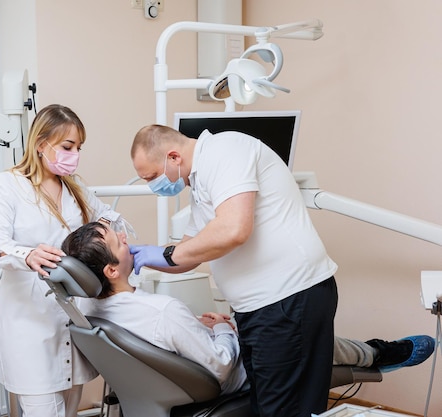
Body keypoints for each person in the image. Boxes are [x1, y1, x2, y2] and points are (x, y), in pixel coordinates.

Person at [61, 221, 435, 396]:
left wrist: (200, 328)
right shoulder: (162, 311)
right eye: (118, 239)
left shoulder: (89, 309)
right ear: (111, 270)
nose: (127, 237)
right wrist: (223, 328)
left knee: (295, 336)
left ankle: (373, 351)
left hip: (176, 379)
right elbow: (222, 367)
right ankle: (381, 353)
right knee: (305, 339)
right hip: (235, 374)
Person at [126, 125, 347, 416]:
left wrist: (165, 254)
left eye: (152, 176)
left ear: (174, 157)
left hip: (289, 298)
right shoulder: (200, 181)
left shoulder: (225, 151)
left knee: (283, 410)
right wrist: (143, 257)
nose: (153, 186)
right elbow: (190, 254)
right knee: (267, 406)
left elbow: (233, 230)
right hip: (258, 309)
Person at [0, 104, 133, 417]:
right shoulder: (5, 186)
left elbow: (111, 222)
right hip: (30, 323)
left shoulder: (75, 188)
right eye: (67, 146)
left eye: (78, 147)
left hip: (72, 318)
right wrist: (28, 254)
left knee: (70, 409)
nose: (74, 154)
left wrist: (121, 236)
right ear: (40, 144)